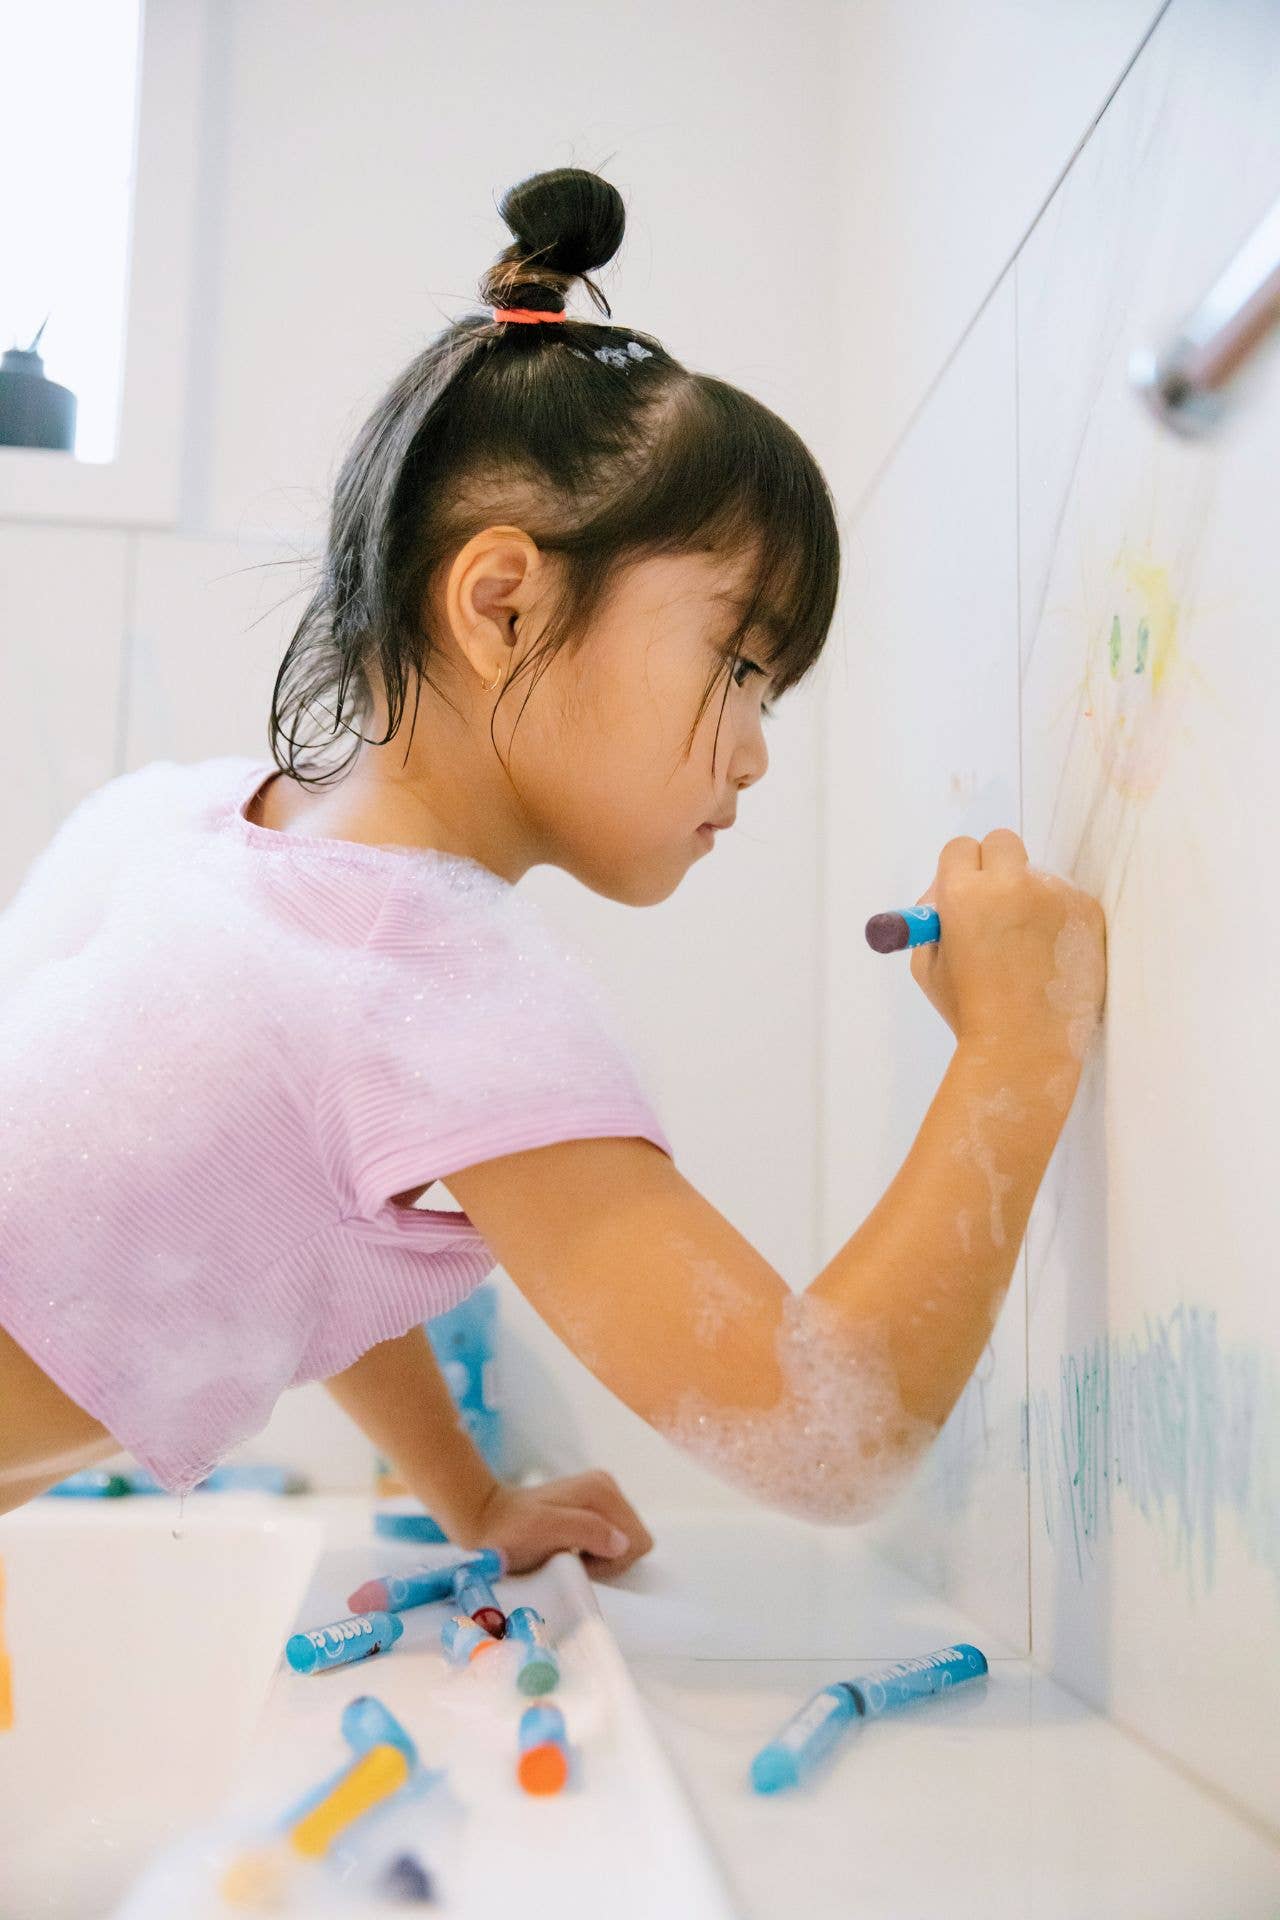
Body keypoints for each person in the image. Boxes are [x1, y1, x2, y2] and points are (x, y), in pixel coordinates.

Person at [0, 167, 1105, 1573]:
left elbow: (304, 1251)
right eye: (742, 664)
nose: (757, 753)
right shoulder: (436, 995)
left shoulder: (209, 829)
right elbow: (826, 1436)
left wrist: (470, 1497)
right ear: (504, 601)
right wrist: (1017, 1049)